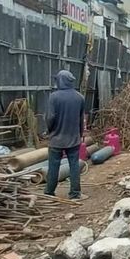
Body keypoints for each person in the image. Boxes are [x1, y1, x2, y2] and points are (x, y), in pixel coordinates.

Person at [44, 69, 85, 200]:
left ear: (61, 81)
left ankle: (49, 192)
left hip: (56, 139)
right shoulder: (79, 97)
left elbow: (50, 117)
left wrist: (50, 131)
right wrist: (80, 134)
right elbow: (81, 119)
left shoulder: (54, 97)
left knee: (53, 166)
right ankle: (75, 193)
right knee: (74, 166)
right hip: (73, 138)